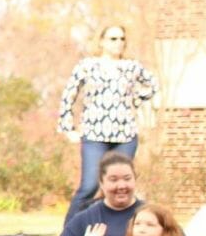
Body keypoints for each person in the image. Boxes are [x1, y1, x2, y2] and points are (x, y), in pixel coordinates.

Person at [57, 24, 158, 220]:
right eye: (113, 39)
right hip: (95, 133)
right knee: (89, 186)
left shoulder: (132, 67)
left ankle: (121, 233)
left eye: (121, 39)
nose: (118, 43)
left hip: (125, 135)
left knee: (121, 187)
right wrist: (67, 127)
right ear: (102, 41)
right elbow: (69, 94)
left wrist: (134, 101)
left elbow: (151, 85)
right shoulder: (87, 66)